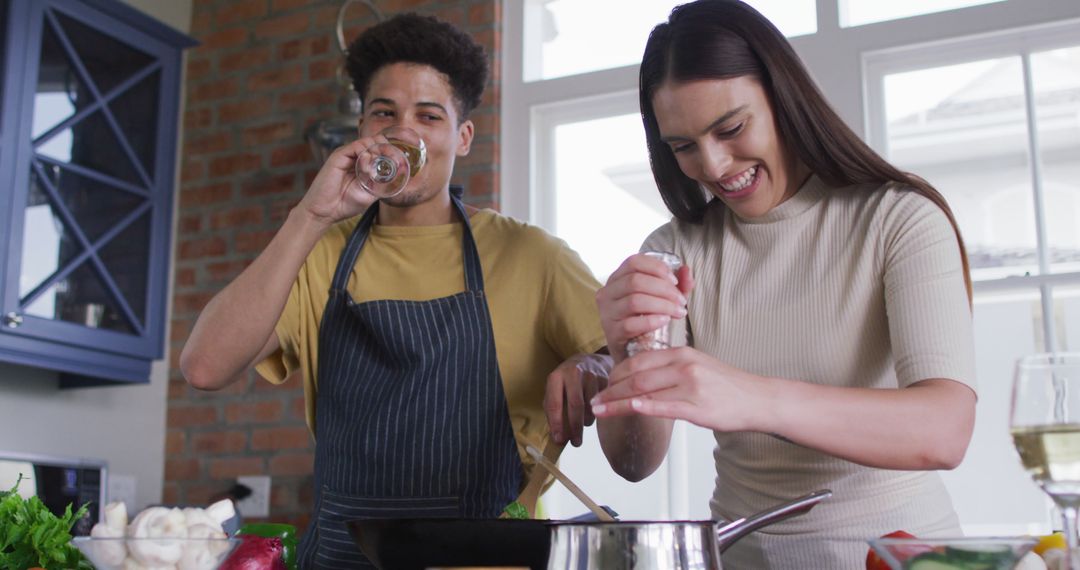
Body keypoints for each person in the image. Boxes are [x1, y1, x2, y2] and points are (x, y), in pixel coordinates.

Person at [179, 12, 608, 569]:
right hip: (342, 558)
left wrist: (594, 362)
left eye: (428, 115)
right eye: (385, 112)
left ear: (463, 137)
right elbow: (204, 367)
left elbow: (624, 362)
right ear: (363, 130)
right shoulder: (318, 252)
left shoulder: (532, 255)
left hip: (486, 560)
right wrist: (309, 216)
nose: (403, 131)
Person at [589, 1, 977, 568]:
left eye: (731, 128)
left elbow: (944, 432)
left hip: (902, 556)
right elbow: (634, 463)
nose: (714, 165)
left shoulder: (899, 218)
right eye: (683, 147)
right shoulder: (674, 251)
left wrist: (752, 396)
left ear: (784, 96)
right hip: (745, 557)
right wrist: (625, 354)